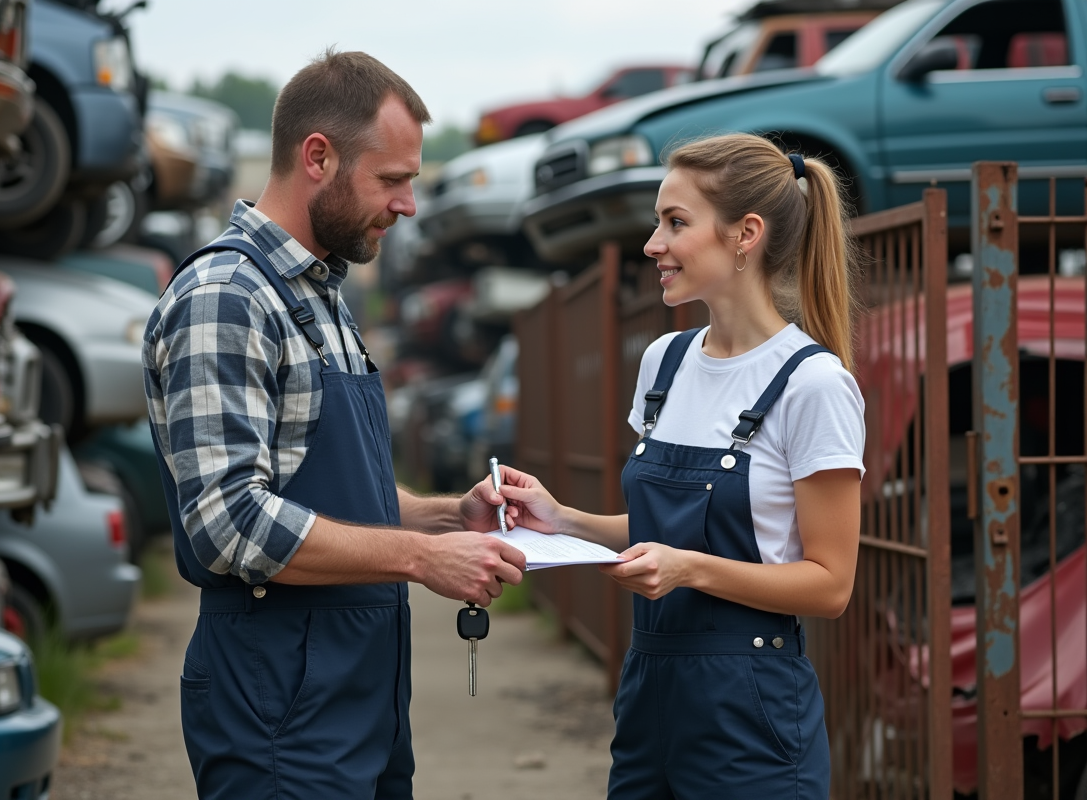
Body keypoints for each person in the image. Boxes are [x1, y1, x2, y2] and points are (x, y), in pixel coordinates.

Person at [142, 49, 526, 800]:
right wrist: (419, 558)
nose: (408, 204)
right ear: (317, 156)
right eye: (392, 180)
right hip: (277, 701)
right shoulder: (227, 297)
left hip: (359, 697)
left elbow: (328, 485)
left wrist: (449, 516)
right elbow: (229, 523)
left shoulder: (319, 294)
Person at [498, 133, 865, 798]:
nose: (652, 245)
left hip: (750, 714)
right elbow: (657, 530)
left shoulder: (813, 384)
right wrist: (561, 519)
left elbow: (830, 585)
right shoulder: (663, 362)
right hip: (649, 696)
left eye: (675, 223)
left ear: (744, 234)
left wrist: (688, 570)